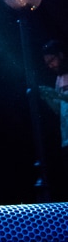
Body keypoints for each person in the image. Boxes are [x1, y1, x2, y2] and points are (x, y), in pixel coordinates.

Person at [41, 39, 68, 197]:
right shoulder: (59, 78)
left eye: (52, 60)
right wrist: (48, 98)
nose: (50, 65)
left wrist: (57, 95)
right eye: (47, 63)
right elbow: (58, 109)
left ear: (61, 55)